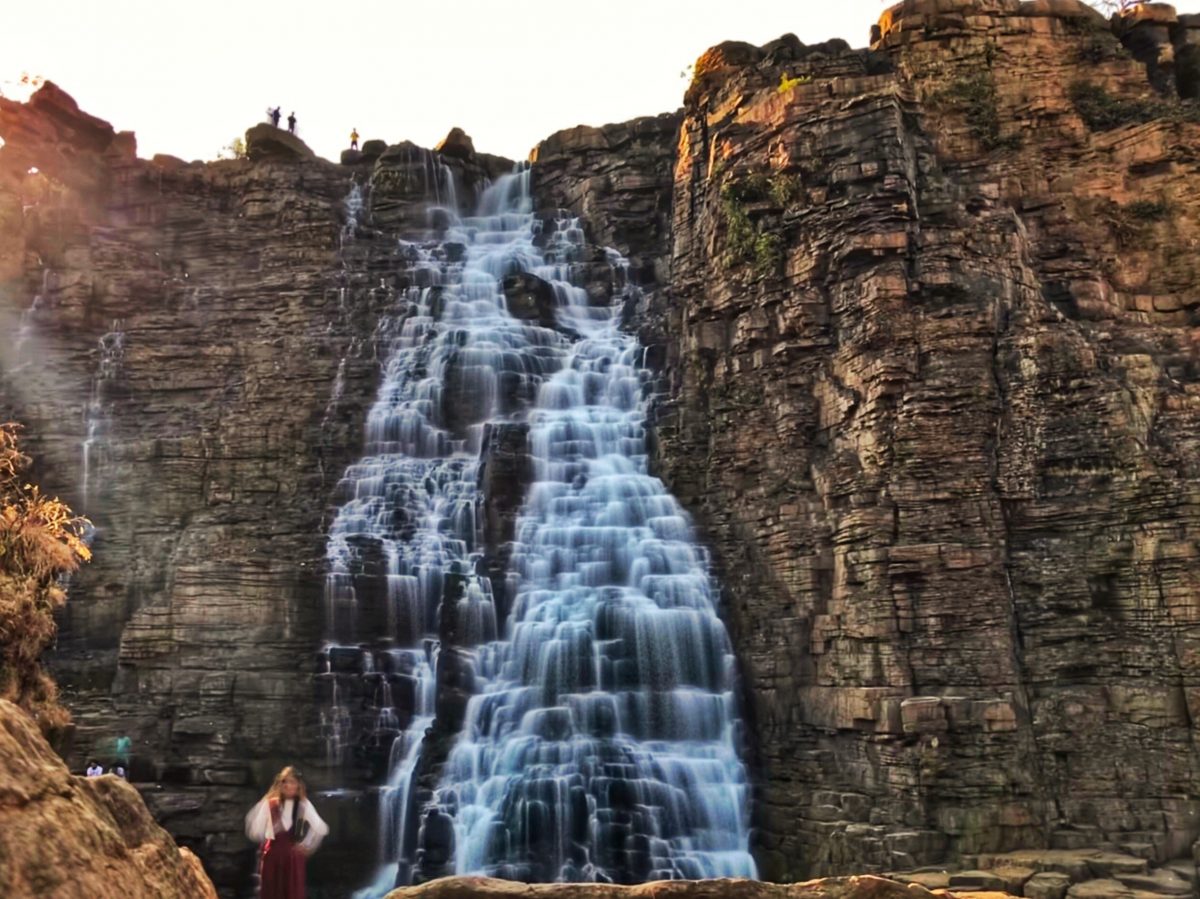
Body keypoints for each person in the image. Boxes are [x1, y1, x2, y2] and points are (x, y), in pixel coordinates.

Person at [245, 766, 328, 899]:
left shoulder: (303, 805)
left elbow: (320, 828)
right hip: (272, 857)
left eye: (292, 782)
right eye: (285, 781)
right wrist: (269, 835)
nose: (288, 785)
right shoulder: (270, 804)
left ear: (298, 785)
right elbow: (254, 830)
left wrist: (306, 845)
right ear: (280, 783)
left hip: (292, 859)